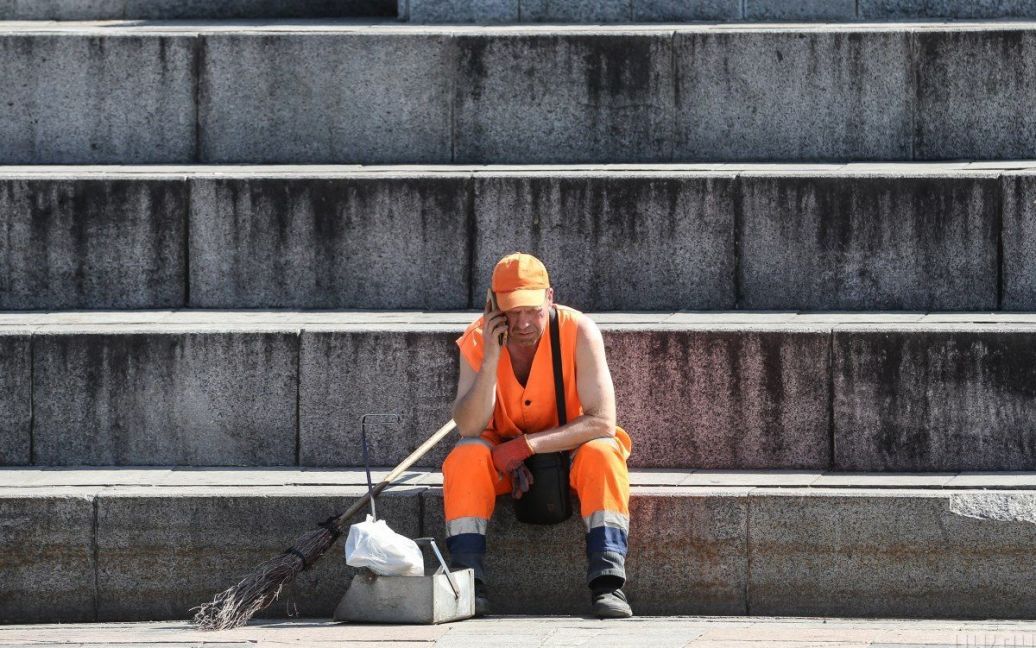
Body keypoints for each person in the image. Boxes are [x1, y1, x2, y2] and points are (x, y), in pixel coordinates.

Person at [442, 252, 633, 619]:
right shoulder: (479, 340)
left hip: (569, 452)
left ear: (549, 296)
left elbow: (602, 422)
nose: (524, 322)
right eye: (512, 312)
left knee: (604, 452)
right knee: (464, 457)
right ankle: (469, 585)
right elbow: (468, 427)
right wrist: (492, 358)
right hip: (498, 457)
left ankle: (608, 584)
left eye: (532, 309)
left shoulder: (579, 330)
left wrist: (525, 446)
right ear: (493, 305)